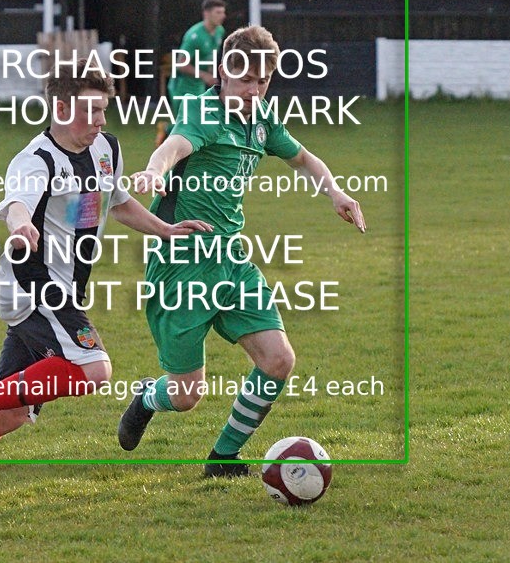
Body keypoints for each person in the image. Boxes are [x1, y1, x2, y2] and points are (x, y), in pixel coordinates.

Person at [0, 60, 212, 505]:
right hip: (34, 285)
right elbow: (16, 203)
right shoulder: (36, 159)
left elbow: (116, 201)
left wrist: (164, 229)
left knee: (10, 416)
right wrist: (20, 225)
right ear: (61, 108)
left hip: (61, 291)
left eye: (104, 110)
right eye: (90, 111)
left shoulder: (106, 147)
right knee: (95, 369)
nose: (100, 120)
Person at [119, 25, 367, 476]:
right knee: (186, 395)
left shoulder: (262, 118)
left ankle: (223, 458)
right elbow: (174, 146)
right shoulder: (204, 112)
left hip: (231, 261)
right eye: (245, 79)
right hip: (181, 266)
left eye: (263, 80)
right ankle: (147, 397)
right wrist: (154, 171)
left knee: (279, 360)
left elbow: (303, 159)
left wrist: (336, 192)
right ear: (223, 74)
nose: (254, 90)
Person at [157, 0, 227, 147]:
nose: (223, 16)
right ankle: (170, 142)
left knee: (194, 122)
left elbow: (210, 55)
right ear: (206, 14)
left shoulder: (219, 31)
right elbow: (180, 64)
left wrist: (211, 75)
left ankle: (167, 132)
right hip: (182, 85)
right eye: (218, 12)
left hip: (198, 85)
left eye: (223, 12)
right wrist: (204, 75)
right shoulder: (194, 36)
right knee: (187, 123)